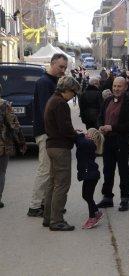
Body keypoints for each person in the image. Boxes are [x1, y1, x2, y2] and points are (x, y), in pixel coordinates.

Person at [28, 53, 68, 217]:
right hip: (45, 132)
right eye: (60, 67)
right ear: (52, 64)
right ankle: (35, 206)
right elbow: (48, 110)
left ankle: (46, 203)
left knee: (50, 170)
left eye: (65, 67)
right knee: (45, 170)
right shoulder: (45, 83)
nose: (63, 70)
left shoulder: (53, 82)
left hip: (48, 132)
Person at [43, 76, 80, 231]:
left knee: (53, 183)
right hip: (60, 147)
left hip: (52, 145)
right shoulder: (60, 104)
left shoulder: (53, 99)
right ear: (67, 90)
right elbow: (64, 128)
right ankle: (56, 220)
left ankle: (48, 217)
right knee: (62, 184)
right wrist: (77, 136)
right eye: (74, 92)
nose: (74, 96)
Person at [97, 77, 129, 211]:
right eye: (114, 86)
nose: (116, 89)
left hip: (121, 142)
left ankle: (125, 198)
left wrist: (112, 128)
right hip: (107, 141)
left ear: (125, 87)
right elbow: (100, 117)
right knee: (107, 170)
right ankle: (107, 197)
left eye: (119, 86)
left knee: (123, 170)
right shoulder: (107, 100)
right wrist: (100, 126)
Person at [0, 84, 27, 208]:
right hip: (2, 145)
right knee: (1, 172)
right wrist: (21, 142)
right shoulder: (4, 105)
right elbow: (14, 125)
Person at [75, 128, 104, 229]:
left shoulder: (90, 144)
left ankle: (93, 217)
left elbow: (81, 142)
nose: (85, 134)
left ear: (93, 137)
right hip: (90, 174)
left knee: (87, 196)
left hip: (91, 175)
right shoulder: (89, 144)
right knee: (87, 195)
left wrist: (78, 134)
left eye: (88, 133)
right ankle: (96, 212)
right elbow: (79, 143)